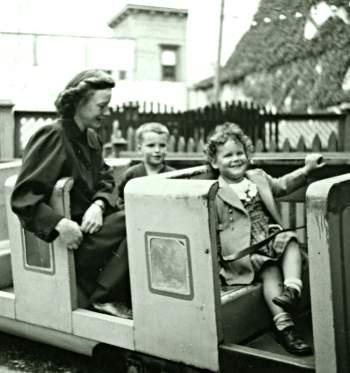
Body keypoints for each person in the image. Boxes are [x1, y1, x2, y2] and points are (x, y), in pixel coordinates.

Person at [11, 69, 131, 319]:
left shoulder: (91, 137)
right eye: (102, 106)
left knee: (137, 219)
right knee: (135, 220)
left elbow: (107, 177)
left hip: (96, 231)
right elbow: (24, 198)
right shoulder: (53, 135)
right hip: (72, 241)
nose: (106, 112)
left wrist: (98, 205)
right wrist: (61, 225)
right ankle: (104, 297)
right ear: (79, 102)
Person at [205, 122, 324, 356]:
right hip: (243, 251)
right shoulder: (214, 191)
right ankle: (285, 329)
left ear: (248, 155)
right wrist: (217, 263)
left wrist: (307, 170)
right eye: (227, 155)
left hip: (268, 238)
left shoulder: (257, 177)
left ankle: (291, 290)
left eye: (240, 153)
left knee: (289, 240)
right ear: (214, 162)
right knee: (269, 270)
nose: (236, 159)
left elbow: (281, 185)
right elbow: (211, 230)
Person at [117, 122, 174, 206]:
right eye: (151, 145)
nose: (157, 150)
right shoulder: (131, 174)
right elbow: (120, 200)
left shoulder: (173, 175)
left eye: (162, 145)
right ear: (140, 149)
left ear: (167, 148)